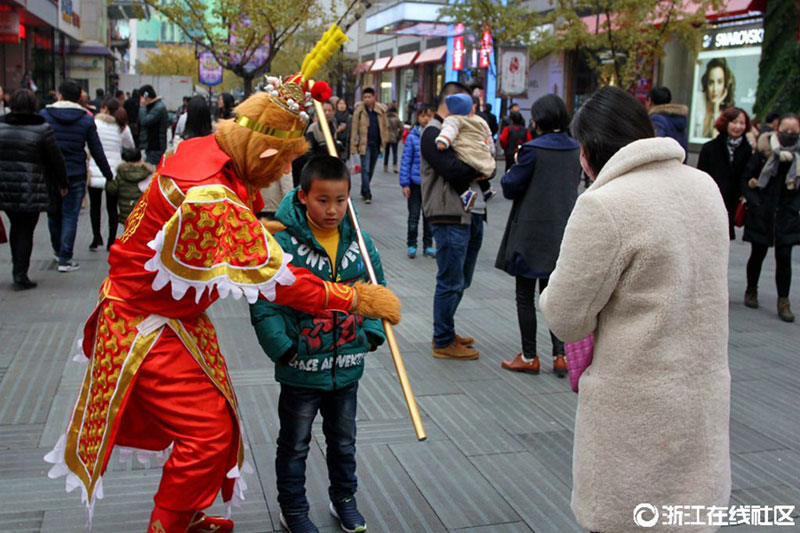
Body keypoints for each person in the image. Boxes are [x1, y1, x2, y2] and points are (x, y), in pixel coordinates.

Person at [44, 69, 402, 533]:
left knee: (220, 419)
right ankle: (167, 523)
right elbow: (281, 284)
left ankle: (185, 511)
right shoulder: (210, 196)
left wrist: (259, 226)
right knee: (207, 433)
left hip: (174, 314)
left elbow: (230, 219)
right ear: (266, 151)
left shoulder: (210, 147)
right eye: (276, 167)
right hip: (144, 321)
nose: (275, 179)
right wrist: (353, 298)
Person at [539, 86, 731, 533]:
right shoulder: (704, 185)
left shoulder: (605, 205)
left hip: (636, 412)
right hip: (701, 397)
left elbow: (566, 318)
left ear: (588, 153)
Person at [250, 156, 386, 533]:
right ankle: (292, 508)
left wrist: (370, 333)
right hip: (301, 369)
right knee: (294, 443)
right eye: (322, 200)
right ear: (304, 196)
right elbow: (264, 301)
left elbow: (375, 289)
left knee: (344, 441)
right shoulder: (280, 241)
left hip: (347, 367)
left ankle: (344, 499)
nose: (332, 209)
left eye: (341, 200)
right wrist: (285, 347)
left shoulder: (358, 240)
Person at [496, 94, 580, 376]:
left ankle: (530, 356)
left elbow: (510, 186)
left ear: (540, 119)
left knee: (524, 295)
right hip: (562, 231)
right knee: (553, 294)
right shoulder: (574, 149)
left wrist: (517, 161)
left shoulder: (532, 149)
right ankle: (560, 355)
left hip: (531, 232)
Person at [420, 81, 485, 360]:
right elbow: (453, 170)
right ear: (451, 102)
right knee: (450, 280)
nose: (471, 112)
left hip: (471, 213)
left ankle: (445, 330)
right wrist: (481, 165)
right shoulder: (433, 133)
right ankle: (443, 340)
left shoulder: (461, 130)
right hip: (448, 214)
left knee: (462, 279)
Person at [41, 79, 114, 272]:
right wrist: (108, 174)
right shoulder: (86, 119)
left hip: (50, 174)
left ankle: (58, 251)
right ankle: (66, 257)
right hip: (75, 172)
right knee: (70, 215)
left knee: (53, 214)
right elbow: (96, 150)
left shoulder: (45, 115)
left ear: (60, 95)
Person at [0, 88, 68, 289]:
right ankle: (20, 274)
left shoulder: (1, 126)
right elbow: (56, 159)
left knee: (15, 225)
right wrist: (62, 183)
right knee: (25, 229)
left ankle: (17, 269)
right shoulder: (42, 129)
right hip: (31, 187)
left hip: (5, 185)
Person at [742, 112, 800, 322]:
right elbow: (747, 178)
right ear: (777, 129)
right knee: (757, 253)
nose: (790, 135)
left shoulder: (798, 157)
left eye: (794, 132)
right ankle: (751, 290)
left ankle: (783, 301)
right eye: (786, 131)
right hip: (763, 212)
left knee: (784, 259)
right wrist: (755, 203)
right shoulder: (764, 152)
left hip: (788, 214)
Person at [697, 106, 753, 239]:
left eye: (742, 123)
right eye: (734, 122)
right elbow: (700, 176)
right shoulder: (710, 148)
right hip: (711, 201)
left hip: (733, 203)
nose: (738, 127)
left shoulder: (748, 150)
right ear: (725, 123)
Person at [88, 98, 135, 251]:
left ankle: (96, 237)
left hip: (95, 169)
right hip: (113, 172)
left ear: (104, 109)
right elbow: (130, 147)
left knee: (94, 207)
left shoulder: (94, 123)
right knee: (112, 208)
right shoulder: (122, 127)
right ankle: (111, 240)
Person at [434, 93, 497, 210]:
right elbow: (488, 135)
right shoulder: (480, 120)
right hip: (481, 150)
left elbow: (449, 130)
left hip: (466, 151)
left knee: (456, 171)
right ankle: (487, 189)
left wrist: (443, 141)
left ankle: (465, 193)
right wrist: (491, 150)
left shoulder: (453, 119)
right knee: (480, 168)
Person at [399, 104, 435, 259]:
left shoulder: (436, 135)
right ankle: (411, 244)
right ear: (418, 118)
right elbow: (406, 160)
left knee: (429, 218)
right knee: (413, 216)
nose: (425, 119)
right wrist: (405, 183)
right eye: (422, 116)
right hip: (414, 183)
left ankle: (428, 246)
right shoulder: (412, 137)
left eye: (428, 115)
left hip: (431, 184)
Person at [350, 87, 388, 203]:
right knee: (365, 169)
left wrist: (384, 142)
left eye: (369, 97)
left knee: (371, 169)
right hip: (364, 144)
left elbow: (384, 127)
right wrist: (353, 145)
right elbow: (354, 128)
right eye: (365, 97)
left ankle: (364, 188)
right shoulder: (359, 111)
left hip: (376, 144)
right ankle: (367, 194)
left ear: (374, 97)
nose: (367, 99)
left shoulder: (380, 111)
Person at [106, 147, 154, 226]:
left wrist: (109, 180)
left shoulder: (120, 174)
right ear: (140, 159)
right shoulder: (147, 173)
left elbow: (112, 190)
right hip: (143, 213)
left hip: (126, 214)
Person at [645, 86, 689, 159]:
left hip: (663, 165)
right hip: (678, 162)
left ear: (650, 101)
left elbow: (655, 146)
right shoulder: (677, 117)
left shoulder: (656, 118)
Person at [699, 57, 735, 139]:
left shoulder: (726, 112)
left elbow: (715, 140)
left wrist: (716, 110)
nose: (715, 89)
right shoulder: (698, 100)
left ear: (725, 85)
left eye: (719, 82)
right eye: (711, 82)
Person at [139, 84, 169, 165]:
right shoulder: (154, 107)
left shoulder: (158, 108)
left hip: (155, 147)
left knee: (152, 172)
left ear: (146, 97)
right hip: (152, 147)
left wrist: (142, 107)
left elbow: (145, 121)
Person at [383, 103, 402, 173]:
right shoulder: (397, 119)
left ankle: (385, 166)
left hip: (387, 137)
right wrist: (399, 136)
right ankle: (395, 166)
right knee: (394, 152)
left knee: (386, 153)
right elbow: (402, 128)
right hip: (394, 138)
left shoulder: (385, 119)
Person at [334, 98, 352, 162]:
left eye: (344, 104)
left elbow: (351, 132)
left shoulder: (349, 117)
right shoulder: (333, 117)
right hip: (335, 144)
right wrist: (337, 130)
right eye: (340, 103)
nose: (342, 105)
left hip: (345, 145)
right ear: (337, 105)